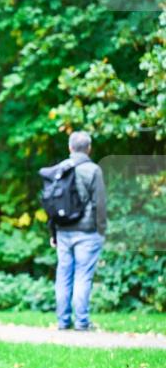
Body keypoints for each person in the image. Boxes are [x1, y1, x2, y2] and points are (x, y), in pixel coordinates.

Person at [49, 131, 107, 331]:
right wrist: (101, 231)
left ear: (70, 147)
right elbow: (100, 204)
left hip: (63, 231)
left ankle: (63, 321)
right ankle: (82, 322)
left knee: (63, 275)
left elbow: (52, 204)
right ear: (89, 148)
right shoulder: (93, 170)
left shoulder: (60, 169)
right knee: (83, 275)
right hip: (87, 232)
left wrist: (53, 233)